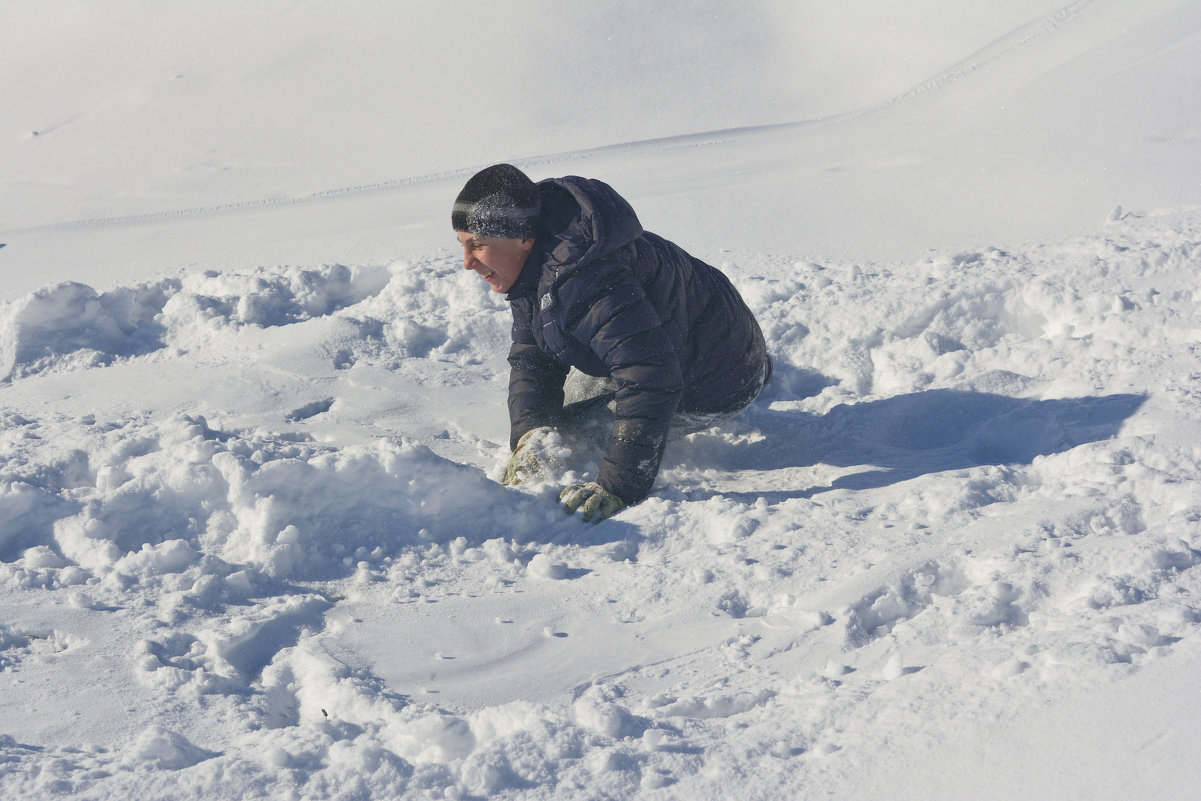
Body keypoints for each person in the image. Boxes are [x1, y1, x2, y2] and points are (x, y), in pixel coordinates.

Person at [452, 164, 770, 523]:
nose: (467, 263)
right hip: (674, 344)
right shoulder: (538, 264)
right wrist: (530, 433)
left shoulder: (587, 276)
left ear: (522, 237)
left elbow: (651, 378)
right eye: (463, 246)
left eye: (478, 245)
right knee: (548, 431)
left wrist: (618, 487)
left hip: (721, 374)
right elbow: (533, 358)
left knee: (570, 435)